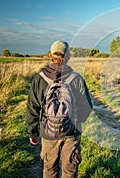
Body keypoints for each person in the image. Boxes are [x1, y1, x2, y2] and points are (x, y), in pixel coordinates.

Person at [26, 41, 92, 178]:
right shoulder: (77, 79)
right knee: (69, 170)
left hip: (48, 132)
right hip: (72, 134)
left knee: (49, 169)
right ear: (69, 57)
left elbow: (33, 107)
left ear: (50, 55)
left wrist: (33, 132)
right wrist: (75, 120)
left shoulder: (39, 79)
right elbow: (87, 107)